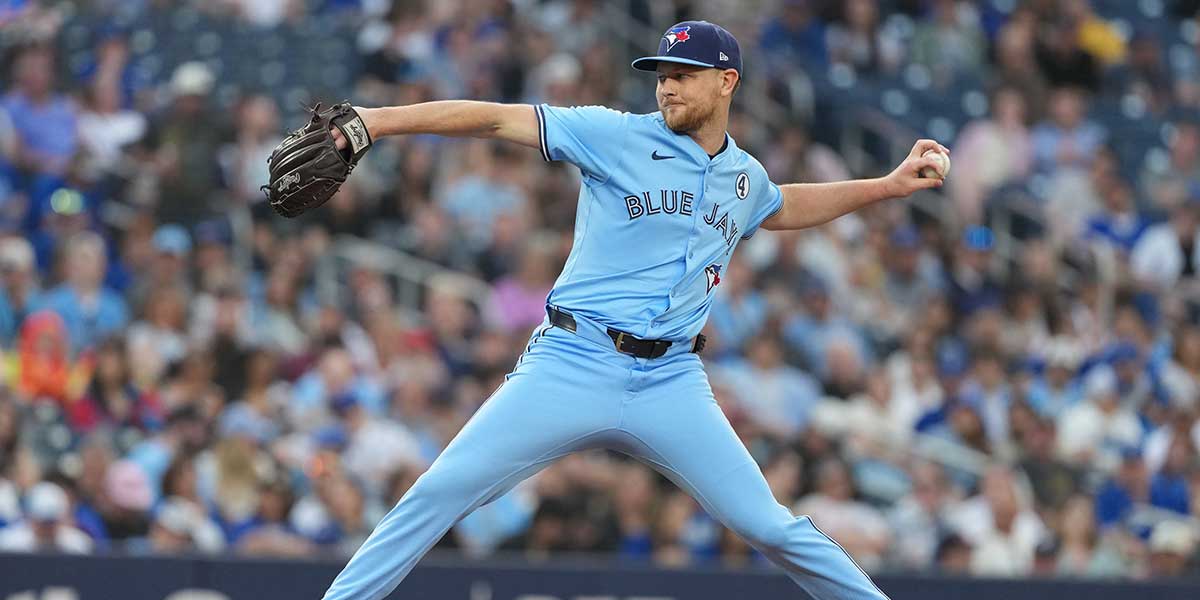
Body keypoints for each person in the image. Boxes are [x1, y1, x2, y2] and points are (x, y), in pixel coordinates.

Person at [321, 20, 947, 600]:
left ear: (726, 82)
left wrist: (888, 186)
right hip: (572, 358)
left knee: (772, 527)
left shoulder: (743, 176)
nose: (667, 87)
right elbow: (492, 121)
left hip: (671, 381)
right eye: (662, 75)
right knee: (440, 491)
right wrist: (377, 121)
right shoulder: (614, 134)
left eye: (683, 75)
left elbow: (781, 206)